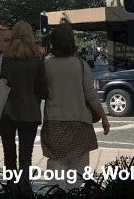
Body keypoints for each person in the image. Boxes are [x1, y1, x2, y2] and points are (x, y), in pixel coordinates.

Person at [41, 22, 110, 182]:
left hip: (54, 123)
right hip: (80, 123)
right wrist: (104, 119)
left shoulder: (46, 65)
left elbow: (39, 91)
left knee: (55, 171)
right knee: (79, 172)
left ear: (53, 43)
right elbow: (91, 96)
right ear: (72, 42)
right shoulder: (81, 65)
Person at [0, 21, 48, 193]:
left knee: (9, 153)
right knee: (26, 155)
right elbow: (43, 90)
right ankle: (25, 189)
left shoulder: (2, 59)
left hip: (6, 112)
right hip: (29, 112)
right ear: (30, 37)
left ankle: (11, 189)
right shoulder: (37, 60)